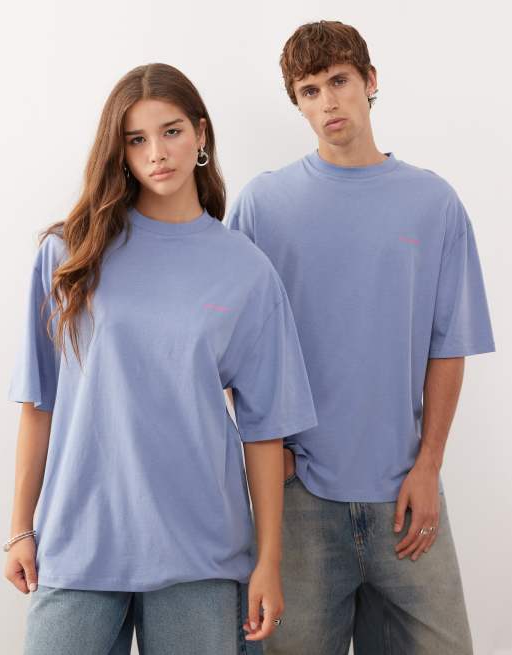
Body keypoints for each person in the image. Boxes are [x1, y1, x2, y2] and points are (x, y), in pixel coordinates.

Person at [4, 62, 318, 655]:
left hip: (200, 548)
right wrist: (20, 528)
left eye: (171, 131)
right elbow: (39, 403)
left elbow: (265, 430)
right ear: (119, 151)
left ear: (201, 133)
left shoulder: (244, 269)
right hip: (79, 542)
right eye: (137, 139)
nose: (157, 153)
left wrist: (268, 561)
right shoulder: (69, 255)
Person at [227, 20, 495, 655]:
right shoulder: (263, 205)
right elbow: (233, 344)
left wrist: (428, 466)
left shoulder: (434, 203)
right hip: (300, 499)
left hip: (405, 492)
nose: (328, 102)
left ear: (370, 81)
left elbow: (448, 346)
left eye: (339, 81)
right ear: (297, 103)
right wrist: (268, 448)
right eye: (310, 90)